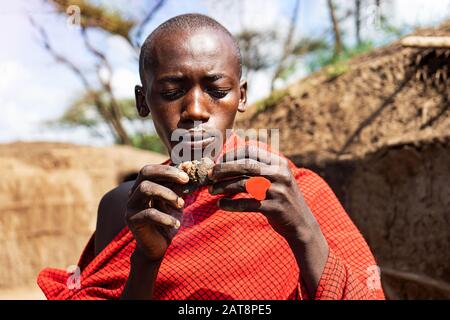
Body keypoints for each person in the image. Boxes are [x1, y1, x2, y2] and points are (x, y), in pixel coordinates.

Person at [37, 13, 385, 300]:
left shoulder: (297, 191)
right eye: (172, 92)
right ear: (143, 102)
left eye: (217, 91)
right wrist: (146, 259)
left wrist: (302, 231)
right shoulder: (122, 206)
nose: (196, 110)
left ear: (242, 96)